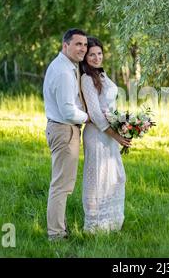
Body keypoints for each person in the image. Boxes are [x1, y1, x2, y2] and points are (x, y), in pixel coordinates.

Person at [79, 37, 131, 233]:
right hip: (97, 134)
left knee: (115, 177)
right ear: (85, 57)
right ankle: (94, 226)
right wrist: (117, 136)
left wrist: (123, 125)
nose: (96, 57)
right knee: (98, 178)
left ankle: (111, 223)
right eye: (92, 54)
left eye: (99, 54)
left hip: (110, 133)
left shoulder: (102, 75)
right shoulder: (86, 79)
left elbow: (109, 107)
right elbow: (95, 113)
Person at [43, 28, 90, 241]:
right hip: (64, 130)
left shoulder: (67, 66)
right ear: (65, 45)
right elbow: (68, 111)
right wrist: (89, 118)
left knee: (62, 184)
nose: (83, 48)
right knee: (61, 186)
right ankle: (56, 234)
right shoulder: (63, 71)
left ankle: (58, 229)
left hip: (62, 129)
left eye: (85, 44)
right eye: (78, 44)